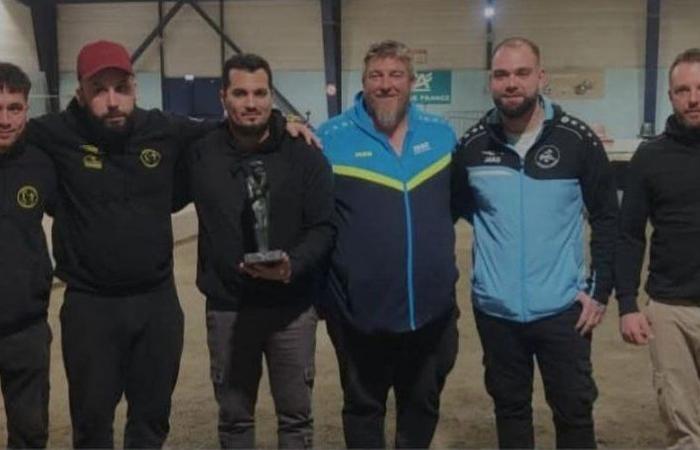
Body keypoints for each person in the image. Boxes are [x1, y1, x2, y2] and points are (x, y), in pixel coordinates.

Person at [26, 40, 317, 449]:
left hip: (156, 304)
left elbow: (234, 124)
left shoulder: (163, 129)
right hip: (90, 307)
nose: (112, 101)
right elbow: (10, 133)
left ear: (134, 89)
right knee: (91, 424)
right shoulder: (54, 133)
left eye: (121, 88)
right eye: (99, 90)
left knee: (151, 420)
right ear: (81, 93)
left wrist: (284, 121)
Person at [451, 37, 617, 449]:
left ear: (540, 77)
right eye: (502, 74)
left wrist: (599, 291)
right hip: (497, 312)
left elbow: (607, 219)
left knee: (574, 412)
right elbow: (461, 209)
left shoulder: (578, 140)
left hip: (564, 310)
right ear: (491, 81)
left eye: (522, 73)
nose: (512, 83)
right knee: (510, 412)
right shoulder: (471, 147)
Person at [317, 40, 459, 449]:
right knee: (363, 409)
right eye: (376, 76)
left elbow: (459, 202)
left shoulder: (440, 136)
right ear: (362, 83)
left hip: (432, 313)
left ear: (412, 82)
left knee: (422, 406)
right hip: (359, 315)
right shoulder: (330, 139)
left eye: (396, 75)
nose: (385, 84)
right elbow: (312, 218)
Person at [188, 53, 334, 449]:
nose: (251, 103)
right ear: (223, 97)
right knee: (234, 419)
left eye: (259, 93)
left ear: (272, 96)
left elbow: (324, 226)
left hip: (292, 309)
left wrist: (294, 265)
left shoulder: (304, 154)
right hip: (228, 309)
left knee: (296, 419)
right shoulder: (201, 152)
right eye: (240, 93)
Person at [616, 47, 700, 449]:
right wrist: (628, 304)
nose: (693, 98)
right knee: (685, 430)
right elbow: (630, 233)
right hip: (670, 312)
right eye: (683, 90)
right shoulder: (650, 157)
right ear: (671, 96)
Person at [0, 62, 56, 449]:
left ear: (27, 110)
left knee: (31, 433)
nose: (4, 119)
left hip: (25, 327)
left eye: (14, 108)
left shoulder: (42, 161)